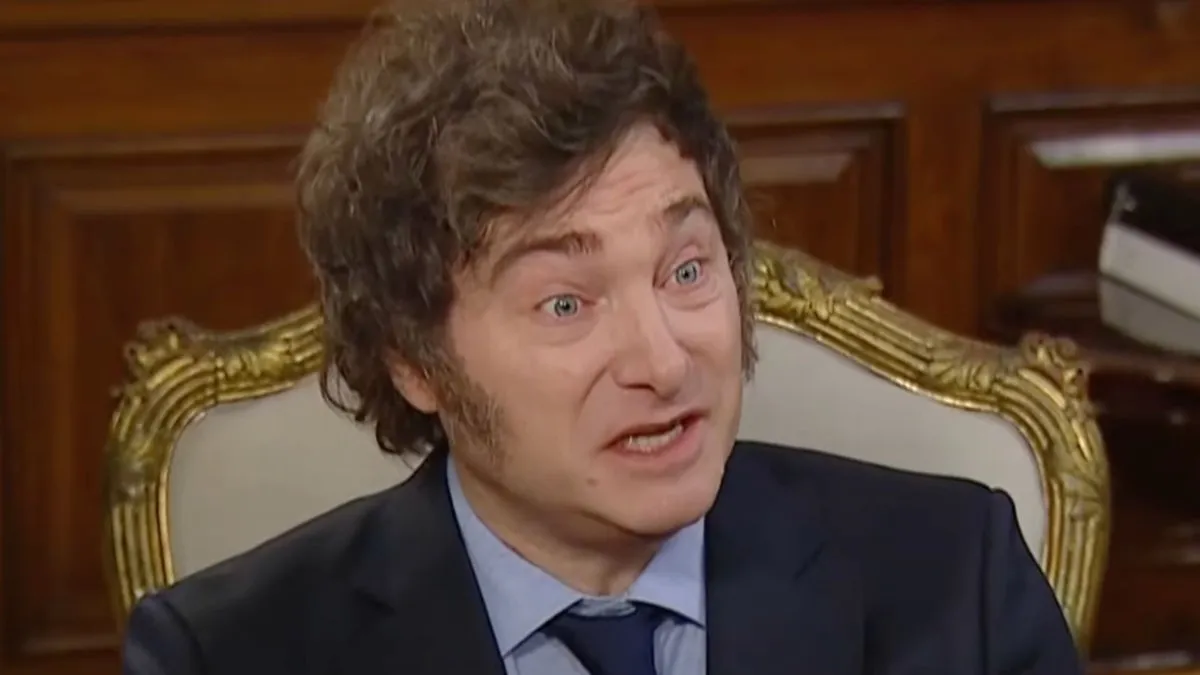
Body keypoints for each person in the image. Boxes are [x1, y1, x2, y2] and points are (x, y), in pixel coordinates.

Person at [120, 0, 1085, 673]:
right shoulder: (230, 655)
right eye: (566, 304)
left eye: (686, 270)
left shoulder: (956, 582)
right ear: (414, 359)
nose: (664, 362)